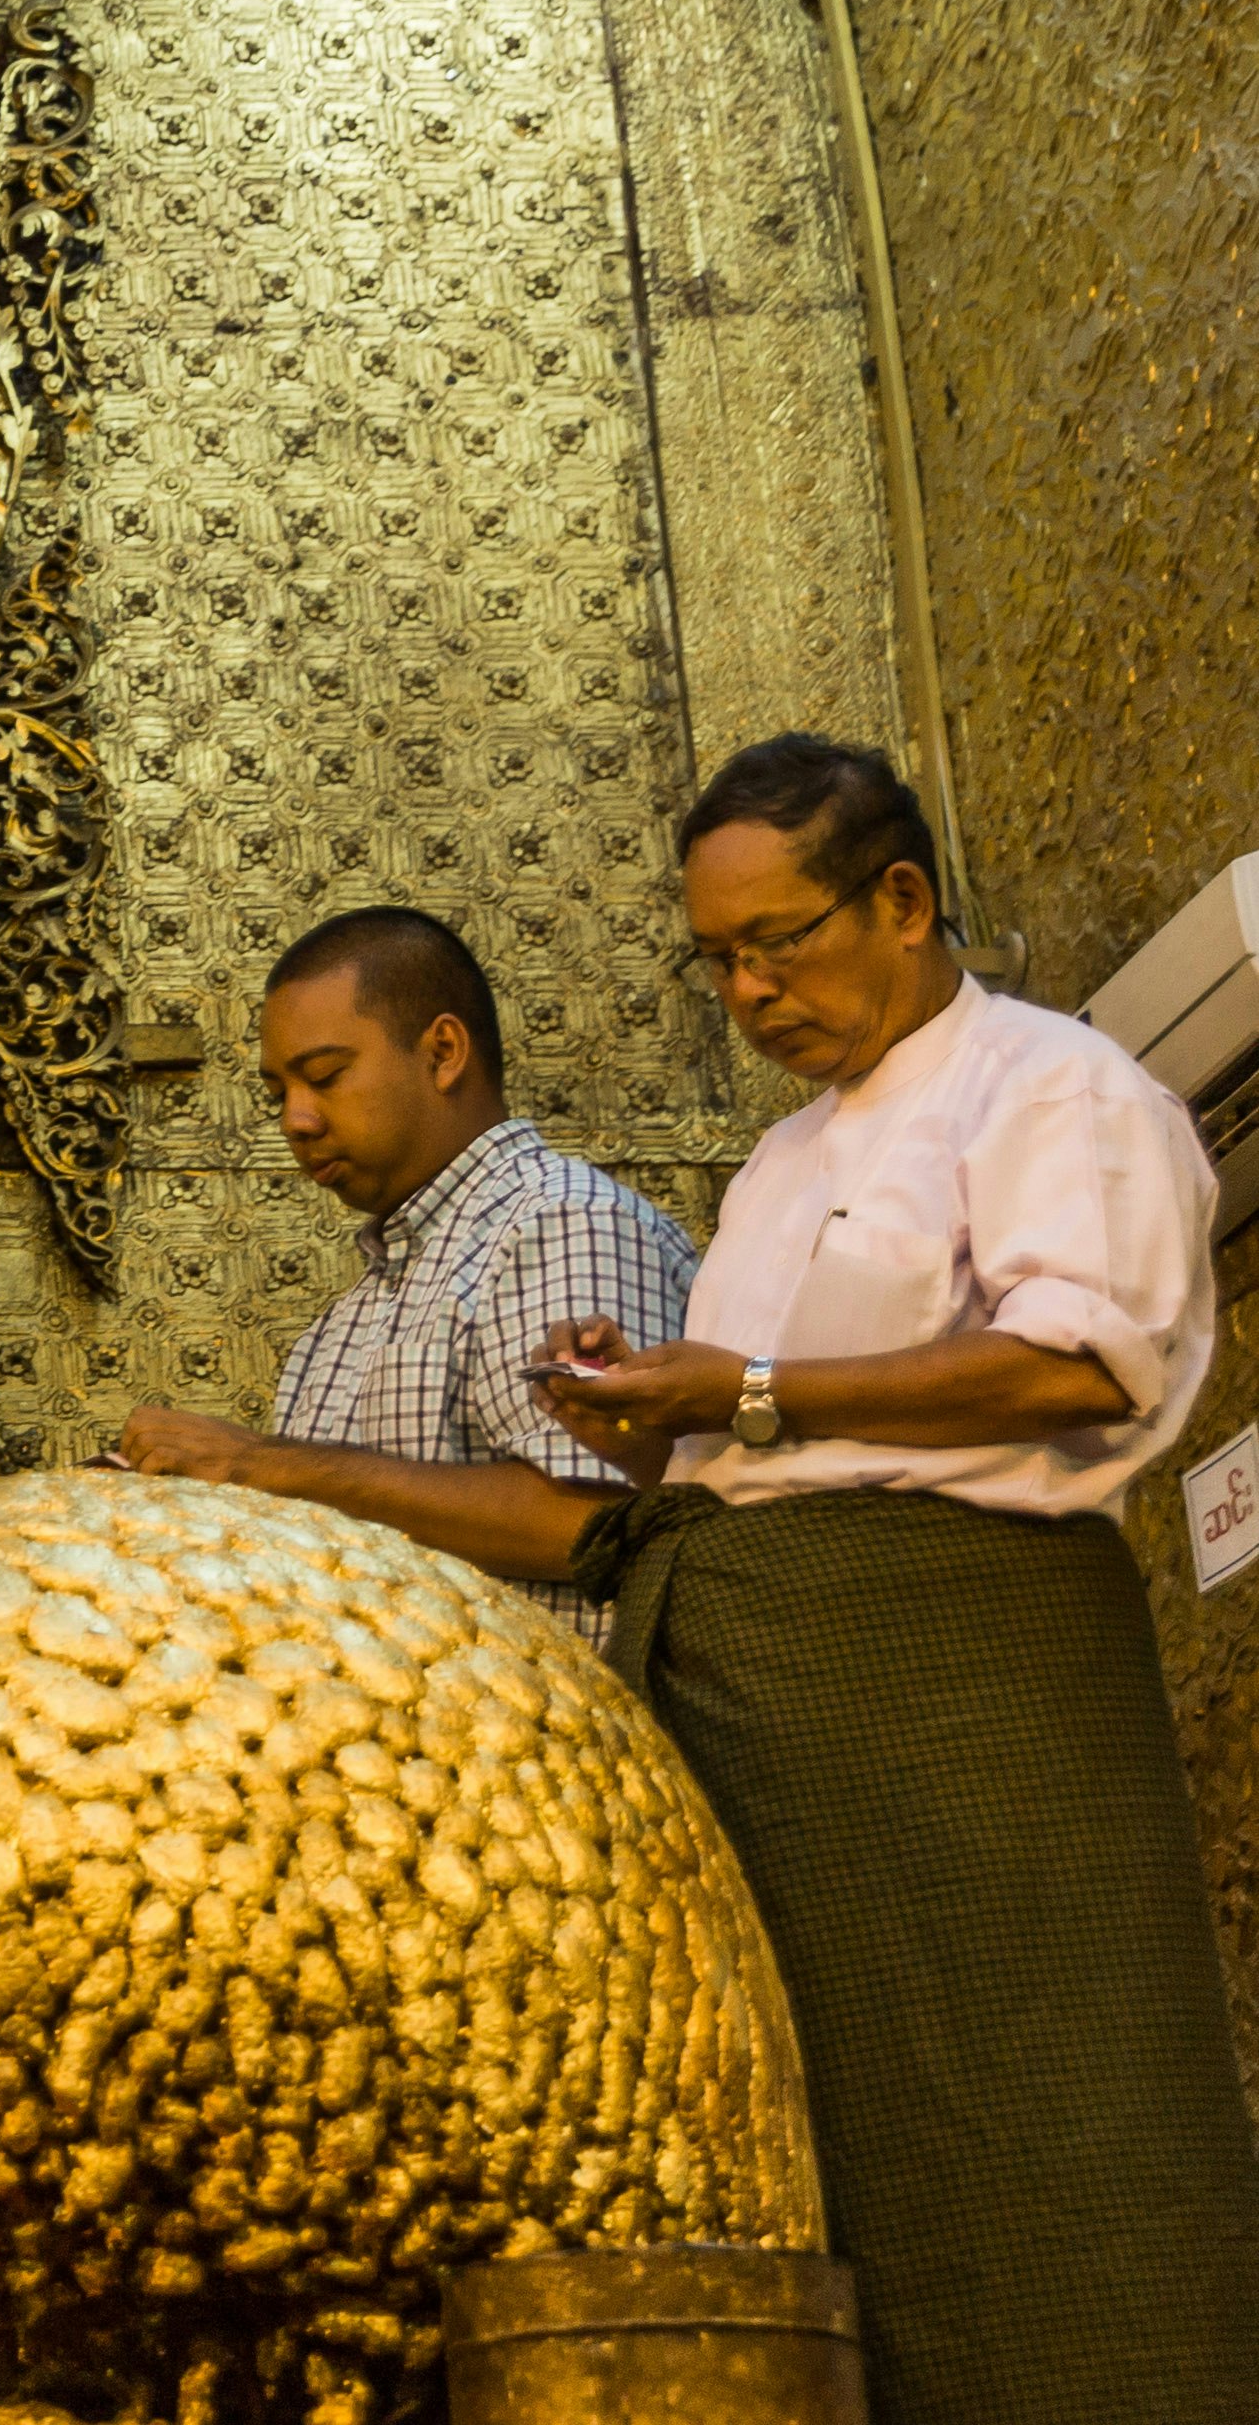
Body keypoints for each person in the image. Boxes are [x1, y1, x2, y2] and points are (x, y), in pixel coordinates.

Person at [539, 733, 1259, 2425]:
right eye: (713, 959)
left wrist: (753, 1394)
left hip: (965, 1703)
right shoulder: (781, 1166)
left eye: (777, 940)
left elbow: (1074, 1366)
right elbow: (753, 1447)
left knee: (1049, 2134)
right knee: (855, 2153)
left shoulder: (1051, 1087)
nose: (746, 989)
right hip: (785, 1713)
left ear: (901, 898)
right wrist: (641, 1408)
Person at [105, 905, 692, 1615]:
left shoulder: (560, 1221)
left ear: (443, 1052)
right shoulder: (345, 1320)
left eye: (323, 1076)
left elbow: (603, 1527)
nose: (296, 1118)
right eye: (277, 1095)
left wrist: (258, 1467)